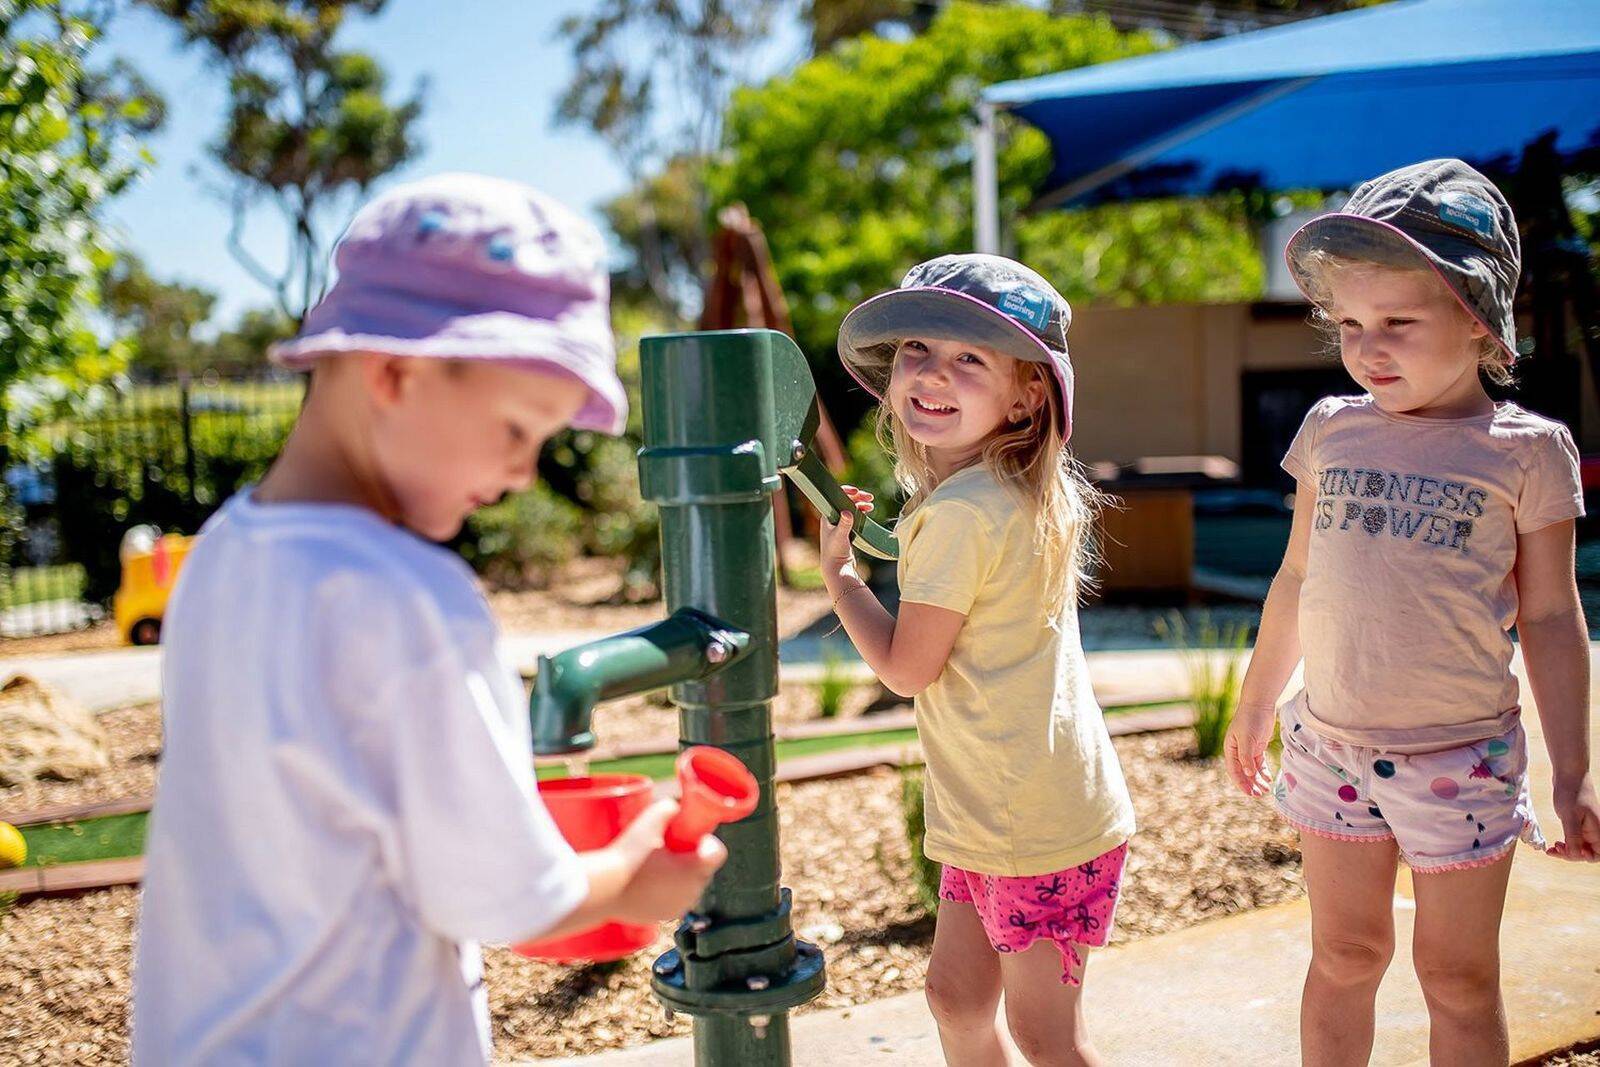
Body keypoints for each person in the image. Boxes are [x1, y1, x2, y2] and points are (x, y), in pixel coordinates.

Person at [132, 174, 724, 1065]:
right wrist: (633, 878)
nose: (525, 473)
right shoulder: (407, 594)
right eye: (518, 430)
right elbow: (503, 894)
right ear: (396, 370)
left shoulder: (222, 550)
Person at [1225, 159, 1600, 1066]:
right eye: (1350, 323)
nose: (1368, 346)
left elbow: (1551, 616)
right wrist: (1256, 702)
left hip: (1461, 759)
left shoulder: (1527, 451)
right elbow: (1296, 579)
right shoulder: (1330, 427)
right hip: (1330, 747)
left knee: (1459, 978)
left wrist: (1574, 772)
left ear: (1478, 320)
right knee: (1344, 955)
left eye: (1398, 322)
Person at [824, 254, 1135, 1067]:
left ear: (1028, 393)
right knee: (957, 999)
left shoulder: (961, 513)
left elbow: (906, 668)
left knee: (1046, 1036)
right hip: (1010, 805)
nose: (933, 373)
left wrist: (841, 579)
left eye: (970, 358)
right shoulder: (1017, 489)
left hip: (1026, 819)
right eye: (918, 349)